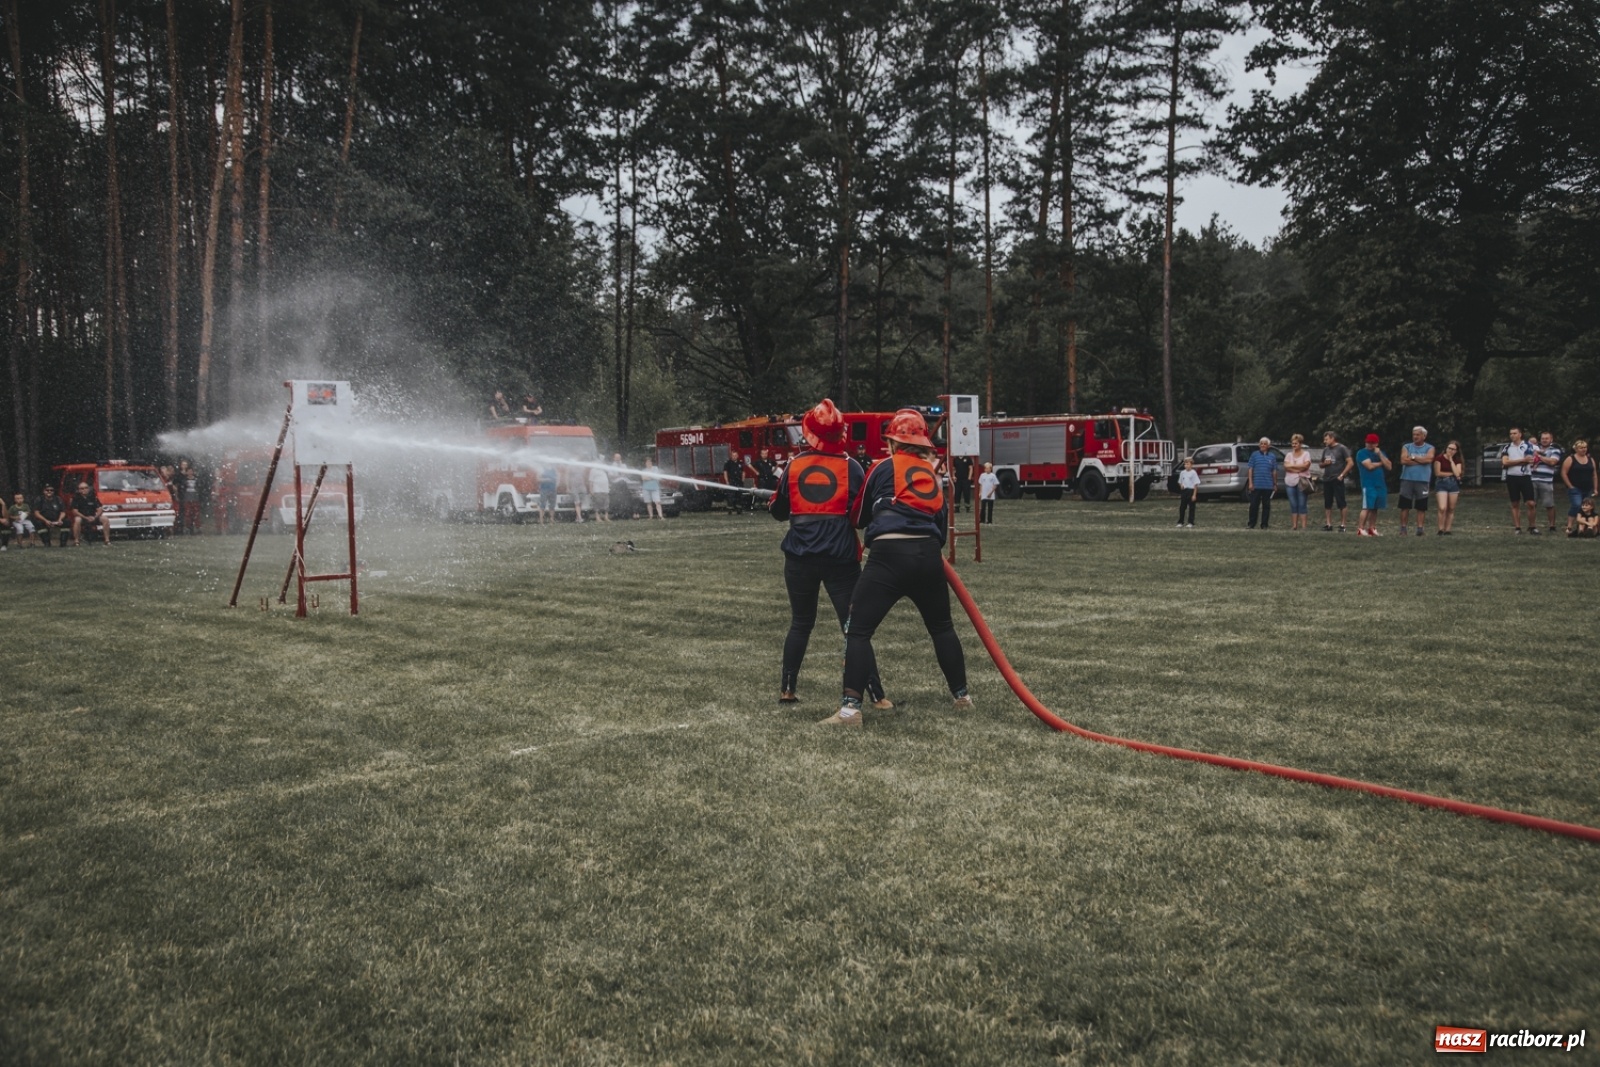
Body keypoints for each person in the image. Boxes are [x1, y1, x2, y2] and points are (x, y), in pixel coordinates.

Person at [822, 408, 970, 727]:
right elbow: (940, 530)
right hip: (929, 556)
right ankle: (962, 697)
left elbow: (859, 516)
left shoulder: (882, 467)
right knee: (942, 627)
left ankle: (850, 710)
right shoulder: (933, 474)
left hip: (888, 555)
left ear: (893, 443)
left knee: (858, 629)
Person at [770, 398, 890, 710]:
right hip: (840, 559)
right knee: (854, 628)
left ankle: (787, 689)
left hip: (799, 557)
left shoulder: (794, 466)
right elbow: (861, 513)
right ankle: (877, 695)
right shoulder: (851, 466)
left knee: (800, 622)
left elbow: (778, 511)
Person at [1396, 425, 1434, 536]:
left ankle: (1420, 529)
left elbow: (1429, 459)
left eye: (1418, 434)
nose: (1415, 437)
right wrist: (1421, 461)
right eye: (1414, 434)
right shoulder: (1406, 447)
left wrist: (1413, 457)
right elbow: (1403, 460)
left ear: (1424, 436)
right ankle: (1403, 529)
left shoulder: (1429, 448)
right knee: (1404, 505)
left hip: (1422, 480)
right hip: (1407, 479)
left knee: (1421, 506)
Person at [1500, 427, 1537, 533]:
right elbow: (1505, 462)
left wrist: (1512, 462)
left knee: (1530, 503)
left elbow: (1528, 461)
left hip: (1525, 476)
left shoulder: (1528, 446)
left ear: (1520, 434)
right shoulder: (1507, 447)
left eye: (1515, 433)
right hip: (1512, 477)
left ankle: (1532, 526)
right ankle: (1517, 527)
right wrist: (1521, 460)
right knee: (1515, 503)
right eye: (1511, 433)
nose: (1512, 435)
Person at [1356, 434, 1391, 537]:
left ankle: (1372, 528)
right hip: (1368, 484)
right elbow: (1369, 466)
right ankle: (1360, 529)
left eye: (1372, 443)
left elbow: (1389, 466)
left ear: (1377, 444)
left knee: (1375, 507)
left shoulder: (1380, 453)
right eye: (1368, 442)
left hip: (1380, 484)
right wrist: (1381, 463)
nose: (1370, 445)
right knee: (1367, 506)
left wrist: (1380, 454)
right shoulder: (1361, 453)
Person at [1560, 439, 1596, 536]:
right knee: (1576, 505)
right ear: (1576, 449)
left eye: (1585, 447)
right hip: (1575, 488)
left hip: (1588, 488)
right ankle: (1569, 526)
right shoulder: (1570, 459)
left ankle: (1584, 527)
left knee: (1587, 508)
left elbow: (1594, 474)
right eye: (1581, 448)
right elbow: (1564, 473)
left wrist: (1595, 488)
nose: (1583, 449)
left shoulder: (1590, 459)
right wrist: (1570, 486)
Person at [1319, 431, 1353, 531]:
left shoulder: (1342, 448)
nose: (1324, 441)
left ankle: (1343, 525)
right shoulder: (1326, 450)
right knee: (1327, 502)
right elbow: (1320, 464)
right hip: (1327, 478)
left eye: (1326, 439)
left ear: (1332, 438)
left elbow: (1350, 463)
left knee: (1341, 502)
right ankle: (1329, 524)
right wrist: (1324, 464)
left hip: (1337, 478)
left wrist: (1342, 475)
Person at [1530, 431, 1563, 534]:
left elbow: (1552, 462)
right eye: (1543, 438)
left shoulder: (1555, 450)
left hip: (1546, 481)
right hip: (1532, 479)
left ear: (1551, 439)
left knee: (1549, 504)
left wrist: (1539, 457)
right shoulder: (1535, 448)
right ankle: (1532, 526)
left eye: (1546, 438)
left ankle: (1552, 526)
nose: (1544, 440)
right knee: (1531, 504)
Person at [1433, 440, 1465, 535]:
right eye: (1449, 448)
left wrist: (1451, 461)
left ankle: (1448, 529)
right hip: (1441, 483)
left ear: (1456, 451)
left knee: (1451, 508)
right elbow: (1438, 473)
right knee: (1442, 507)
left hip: (1453, 484)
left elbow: (1458, 473)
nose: (1451, 450)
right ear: (1446, 448)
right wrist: (1452, 474)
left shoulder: (1457, 460)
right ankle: (1440, 528)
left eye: (1453, 449)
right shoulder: (1439, 458)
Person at [1283, 434, 1314, 531]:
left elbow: (1305, 466)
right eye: (1292, 443)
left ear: (1300, 444)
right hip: (1290, 481)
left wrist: (1292, 466)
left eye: (1296, 443)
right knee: (1293, 504)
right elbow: (1286, 467)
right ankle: (1294, 525)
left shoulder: (1306, 454)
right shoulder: (1288, 455)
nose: (1294, 445)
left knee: (1302, 504)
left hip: (1302, 482)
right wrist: (1298, 467)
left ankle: (1304, 526)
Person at [1246, 437, 1278, 529]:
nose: (1263, 445)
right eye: (1261, 443)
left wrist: (1275, 484)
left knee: (1266, 506)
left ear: (1268, 446)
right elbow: (1250, 469)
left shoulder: (1272, 456)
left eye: (1265, 444)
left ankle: (1264, 524)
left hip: (1268, 485)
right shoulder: (1254, 455)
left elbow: (1274, 471)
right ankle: (1251, 523)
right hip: (1256, 484)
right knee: (1254, 505)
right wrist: (1250, 483)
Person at [71, 480, 111, 545]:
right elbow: (75, 511)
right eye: (82, 488)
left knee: (105, 519)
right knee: (77, 520)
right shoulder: (75, 498)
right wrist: (86, 518)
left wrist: (95, 517)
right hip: (82, 517)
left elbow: (100, 509)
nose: (84, 490)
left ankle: (107, 540)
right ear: (79, 490)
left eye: (86, 488)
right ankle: (76, 541)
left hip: (93, 517)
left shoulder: (93, 497)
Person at [177, 458, 202, 534]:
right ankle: (189, 528)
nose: (190, 473)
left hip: (195, 499)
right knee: (187, 514)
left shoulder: (197, 480)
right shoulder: (184, 480)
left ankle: (197, 528)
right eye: (189, 471)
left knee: (196, 514)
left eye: (191, 471)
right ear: (187, 472)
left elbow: (200, 488)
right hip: (187, 499)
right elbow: (181, 488)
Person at [1175, 457, 1199, 527]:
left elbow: (1196, 484)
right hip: (1184, 491)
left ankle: (1191, 522)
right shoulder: (1182, 473)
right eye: (1185, 464)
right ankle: (1180, 522)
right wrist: (1181, 485)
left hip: (1191, 490)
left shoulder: (1193, 473)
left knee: (1191, 507)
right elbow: (1180, 481)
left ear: (1191, 465)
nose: (1186, 466)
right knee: (1182, 507)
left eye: (1188, 464)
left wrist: (1194, 495)